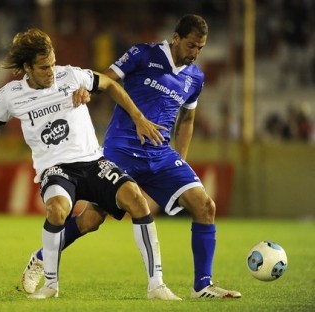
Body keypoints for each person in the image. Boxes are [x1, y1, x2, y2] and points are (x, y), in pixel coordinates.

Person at [0, 28, 180, 300]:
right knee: (57, 210)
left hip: (92, 162)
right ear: (27, 68)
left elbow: (111, 84)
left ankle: (156, 285)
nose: (51, 71)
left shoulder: (71, 75)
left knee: (129, 203)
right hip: (56, 169)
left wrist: (138, 118)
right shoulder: (11, 95)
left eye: (53, 63)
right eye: (44, 67)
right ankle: (51, 285)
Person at [22, 15, 242, 299]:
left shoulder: (195, 77)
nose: (195, 53)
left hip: (161, 155)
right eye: (191, 45)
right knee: (90, 221)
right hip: (121, 151)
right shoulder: (143, 54)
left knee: (205, 206)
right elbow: (106, 80)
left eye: (200, 48)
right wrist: (84, 91)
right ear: (176, 38)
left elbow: (187, 120)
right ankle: (41, 257)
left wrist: (181, 159)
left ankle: (203, 285)